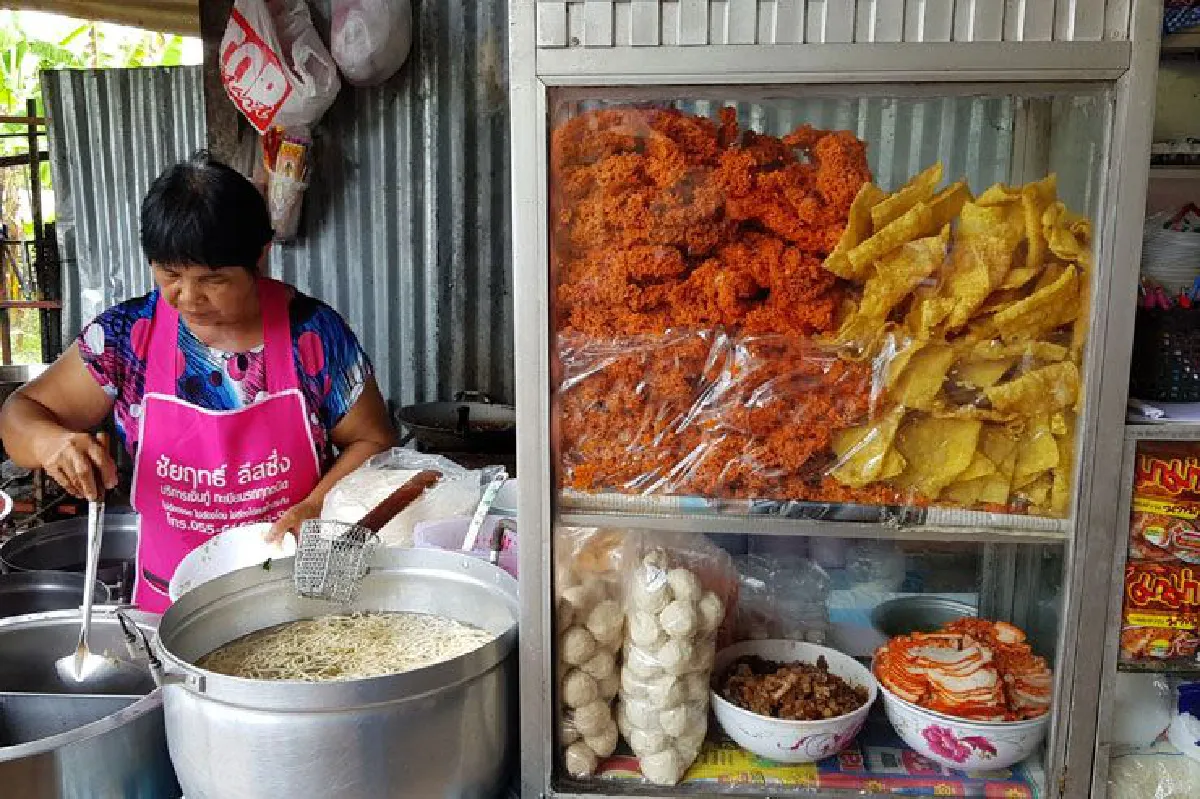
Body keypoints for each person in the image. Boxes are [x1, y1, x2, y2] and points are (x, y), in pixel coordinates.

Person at [0, 152, 397, 612]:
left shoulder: (313, 335)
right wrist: (53, 444)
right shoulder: (127, 337)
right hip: (166, 601)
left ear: (259, 257)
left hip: (291, 595)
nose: (188, 298)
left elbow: (374, 440)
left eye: (213, 279)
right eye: (170, 274)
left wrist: (316, 507)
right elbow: (20, 413)